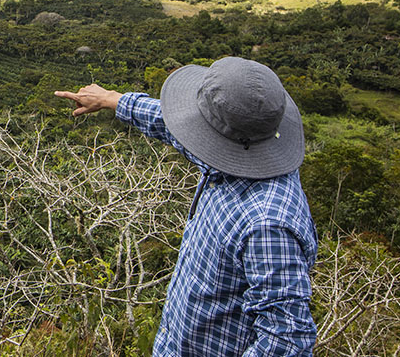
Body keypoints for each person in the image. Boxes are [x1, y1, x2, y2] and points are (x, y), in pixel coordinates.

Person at [55, 56, 317, 356]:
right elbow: (173, 125)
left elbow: (287, 341)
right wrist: (113, 100)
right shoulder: (244, 151)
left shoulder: (268, 224)